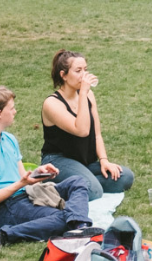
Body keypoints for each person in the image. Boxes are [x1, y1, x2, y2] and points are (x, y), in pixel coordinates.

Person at [0, 85, 92, 251]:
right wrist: (20, 184)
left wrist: (39, 173)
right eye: (11, 108)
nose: (15, 111)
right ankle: (3, 235)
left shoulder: (9, 139)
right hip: (5, 208)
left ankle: (78, 226)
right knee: (62, 218)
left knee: (77, 182)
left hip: (27, 194)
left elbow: (22, 176)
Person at [40, 49, 134, 199]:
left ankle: (80, 183)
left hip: (83, 161)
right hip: (58, 161)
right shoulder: (52, 103)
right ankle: (56, 184)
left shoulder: (89, 95)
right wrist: (83, 93)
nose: (84, 75)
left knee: (125, 176)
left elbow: (96, 134)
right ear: (63, 75)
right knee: (93, 190)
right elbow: (82, 130)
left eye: (85, 69)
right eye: (78, 71)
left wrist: (104, 160)